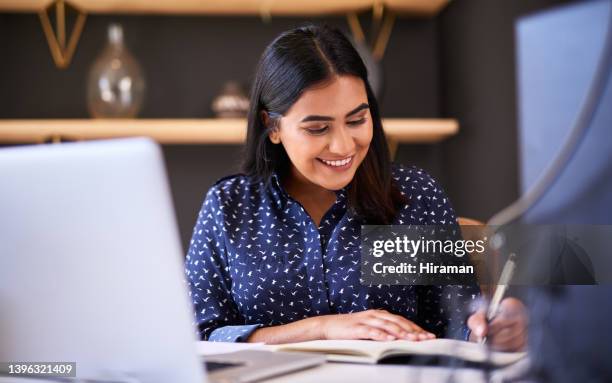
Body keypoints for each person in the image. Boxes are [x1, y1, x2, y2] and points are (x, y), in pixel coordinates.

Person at [185, 24, 526, 351]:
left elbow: (457, 320)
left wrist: (491, 331)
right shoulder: (228, 206)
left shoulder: (414, 197)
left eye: (356, 120)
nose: (343, 146)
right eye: (318, 128)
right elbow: (197, 333)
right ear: (272, 126)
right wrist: (323, 328)